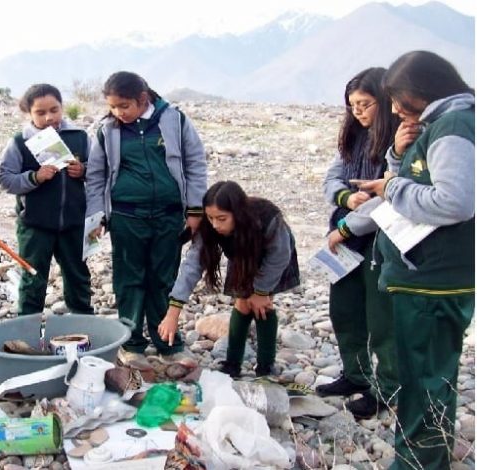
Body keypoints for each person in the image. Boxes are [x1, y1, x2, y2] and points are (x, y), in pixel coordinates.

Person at [360, 51, 474, 470]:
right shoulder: (438, 125)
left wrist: (391, 188)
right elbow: (420, 177)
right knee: (426, 376)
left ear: (424, 91)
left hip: (433, 279)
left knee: (423, 379)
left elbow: (455, 201)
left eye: (398, 98)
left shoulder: (454, 125)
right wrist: (397, 154)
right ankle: (427, 455)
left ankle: (418, 463)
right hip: (425, 275)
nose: (393, 109)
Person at [85, 71, 207, 369]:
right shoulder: (107, 130)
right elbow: (96, 174)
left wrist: (195, 209)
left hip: (168, 216)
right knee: (129, 280)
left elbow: (195, 163)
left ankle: (168, 343)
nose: (118, 113)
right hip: (127, 217)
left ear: (143, 99)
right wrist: (97, 215)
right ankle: (131, 343)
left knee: (163, 279)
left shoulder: (174, 120)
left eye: (124, 106)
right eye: (113, 107)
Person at [315, 67, 400, 419]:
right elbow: (333, 177)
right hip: (347, 229)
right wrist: (345, 198)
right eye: (352, 106)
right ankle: (356, 374)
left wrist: (348, 226)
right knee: (344, 308)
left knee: (381, 317)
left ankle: (387, 387)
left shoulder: (400, 142)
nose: (358, 112)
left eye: (365, 104)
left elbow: (391, 195)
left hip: (379, 237)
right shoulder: (354, 138)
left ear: (384, 101)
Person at [161, 181, 300, 377]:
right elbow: (192, 265)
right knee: (242, 303)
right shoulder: (210, 228)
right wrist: (173, 312)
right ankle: (232, 364)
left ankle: (266, 366)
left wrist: (261, 291)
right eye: (210, 218)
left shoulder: (268, 217)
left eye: (222, 218)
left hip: (272, 258)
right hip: (240, 256)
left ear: (238, 212)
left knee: (262, 306)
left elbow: (280, 256)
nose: (215, 224)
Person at [0, 83, 93, 315]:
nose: (49, 117)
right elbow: (3, 179)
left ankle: (84, 327)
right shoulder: (20, 142)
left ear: (62, 107)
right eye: (40, 113)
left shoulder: (79, 137)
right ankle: (28, 332)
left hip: (74, 223)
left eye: (54, 109)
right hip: (35, 226)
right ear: (29, 113)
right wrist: (34, 177)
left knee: (78, 275)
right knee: (33, 278)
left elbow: (100, 172)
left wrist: (83, 170)